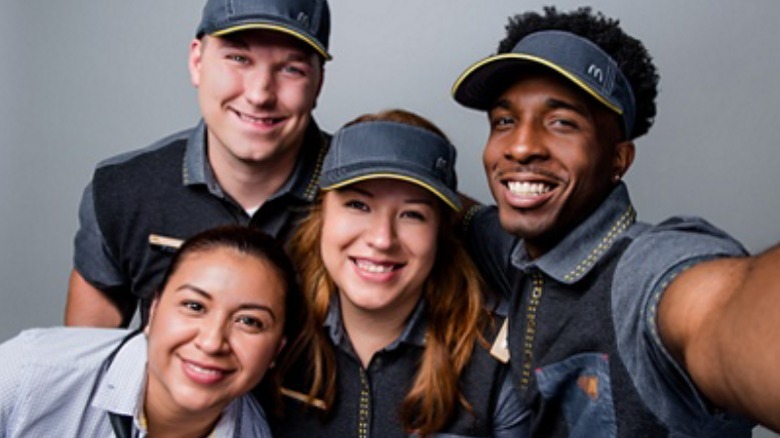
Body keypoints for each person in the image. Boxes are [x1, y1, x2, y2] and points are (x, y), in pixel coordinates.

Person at [451, 6, 780, 436]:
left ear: (618, 159)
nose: (521, 146)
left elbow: (720, 308)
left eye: (562, 122)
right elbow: (441, 207)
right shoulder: (515, 252)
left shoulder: (645, 274)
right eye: (505, 121)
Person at [66, 0, 332, 327]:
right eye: (238, 59)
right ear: (197, 61)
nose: (260, 94)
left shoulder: (362, 196)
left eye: (292, 68)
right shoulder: (124, 191)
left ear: (318, 83)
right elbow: (86, 364)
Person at [267, 109, 528, 437]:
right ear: (322, 214)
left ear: (441, 231)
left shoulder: (496, 361)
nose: (382, 239)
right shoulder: (271, 332)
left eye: (412, 214)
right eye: (358, 206)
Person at [0, 225, 305, 437]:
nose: (212, 342)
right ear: (154, 310)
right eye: (194, 306)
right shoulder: (29, 373)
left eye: (249, 321)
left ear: (276, 350)